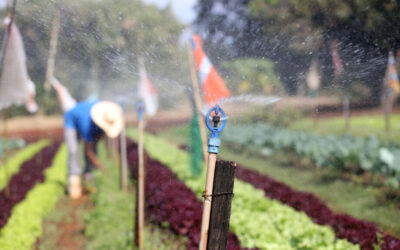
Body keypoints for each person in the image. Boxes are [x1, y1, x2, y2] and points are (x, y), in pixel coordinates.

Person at [64, 100, 123, 199]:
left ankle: (89, 177)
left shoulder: (105, 112)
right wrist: (101, 168)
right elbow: (88, 151)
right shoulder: (86, 124)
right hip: (71, 121)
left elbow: (97, 140)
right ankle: (74, 181)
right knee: (73, 151)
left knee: (93, 147)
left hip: (88, 121)